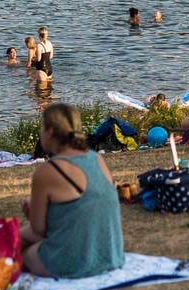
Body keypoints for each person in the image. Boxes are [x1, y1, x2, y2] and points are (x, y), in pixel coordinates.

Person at [21, 103, 122, 278]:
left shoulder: (48, 171)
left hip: (75, 263)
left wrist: (24, 222)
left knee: (22, 250)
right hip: (111, 256)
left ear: (50, 132)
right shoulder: (96, 159)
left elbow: (38, 230)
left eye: (41, 128)